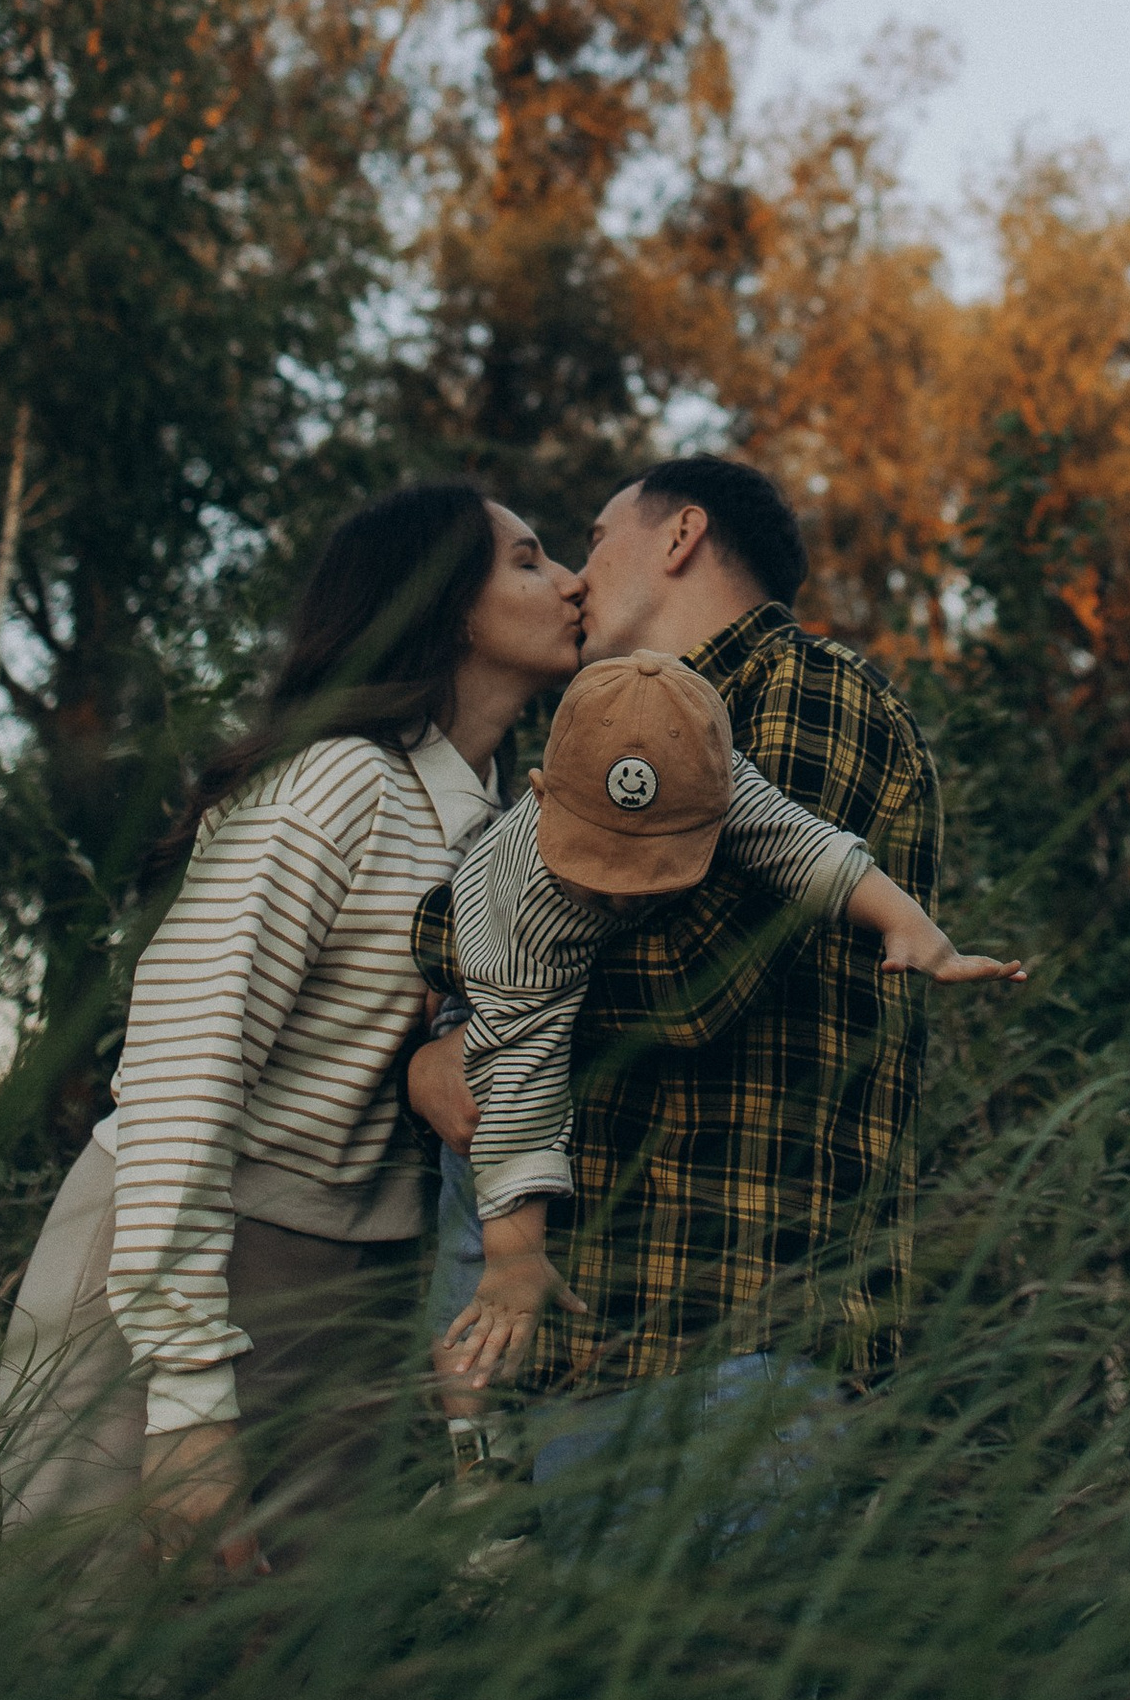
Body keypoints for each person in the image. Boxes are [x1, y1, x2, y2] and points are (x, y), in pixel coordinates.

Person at [0, 479, 582, 1573]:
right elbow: (179, 1075)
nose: (573, 581)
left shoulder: (507, 830)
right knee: (76, 1657)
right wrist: (191, 1409)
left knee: (264, 1691)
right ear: (445, 603)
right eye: (532, 560)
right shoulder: (334, 782)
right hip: (179, 1259)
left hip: (355, 1286)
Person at [408, 455, 953, 1480]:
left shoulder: (806, 691)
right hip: (611, 1355)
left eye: (598, 538)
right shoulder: (607, 737)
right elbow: (445, 925)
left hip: (742, 1346)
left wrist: (473, 1041)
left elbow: (690, 985)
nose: (575, 576)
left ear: (681, 535)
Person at [435, 651, 1018, 1387]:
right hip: (498, 987)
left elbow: (801, 846)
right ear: (543, 795)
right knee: (476, 1199)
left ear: (723, 802)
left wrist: (910, 927)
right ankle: (469, 1439)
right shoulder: (520, 901)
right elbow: (522, 1067)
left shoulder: (720, 780)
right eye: (602, 871)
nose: (623, 897)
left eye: (651, 870)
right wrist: (515, 1253)